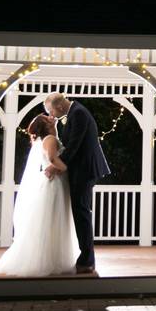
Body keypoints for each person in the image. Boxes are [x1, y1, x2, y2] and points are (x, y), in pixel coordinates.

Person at [0, 114, 79, 276]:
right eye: (48, 118)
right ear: (46, 125)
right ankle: (50, 260)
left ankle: (51, 258)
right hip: (56, 183)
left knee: (52, 221)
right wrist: (67, 168)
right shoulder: (50, 139)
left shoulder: (48, 139)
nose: (52, 117)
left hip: (54, 182)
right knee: (55, 220)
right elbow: (53, 158)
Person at [44, 92, 111, 274]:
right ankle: (86, 258)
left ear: (58, 106)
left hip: (84, 170)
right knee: (80, 212)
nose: (51, 115)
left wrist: (55, 167)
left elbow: (73, 146)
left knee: (82, 213)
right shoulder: (74, 113)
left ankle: (87, 260)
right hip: (80, 169)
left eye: (51, 111)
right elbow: (67, 143)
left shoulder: (78, 113)